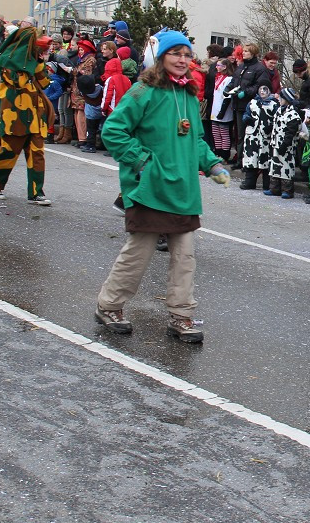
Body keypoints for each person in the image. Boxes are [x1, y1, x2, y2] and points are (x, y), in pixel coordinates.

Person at [95, 30, 230, 344]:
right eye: (175, 54)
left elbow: (195, 139)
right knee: (138, 254)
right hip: (150, 188)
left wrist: (212, 164)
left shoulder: (187, 94)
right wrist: (142, 161)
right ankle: (109, 305)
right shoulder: (144, 91)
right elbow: (113, 131)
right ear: (161, 58)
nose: (183, 60)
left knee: (185, 257)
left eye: (186, 54)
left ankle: (181, 315)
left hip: (183, 190)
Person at [0, 28, 54, 206]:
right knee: (8, 152)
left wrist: (38, 62)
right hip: (15, 116)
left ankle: (36, 192)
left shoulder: (34, 62)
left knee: (37, 154)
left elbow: (45, 83)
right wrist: (32, 63)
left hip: (35, 117)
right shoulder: (8, 61)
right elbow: (18, 82)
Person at [226, 44, 272, 169]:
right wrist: (228, 88)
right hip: (237, 105)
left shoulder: (259, 69)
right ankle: (240, 159)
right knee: (239, 134)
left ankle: (248, 161)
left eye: (246, 51)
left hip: (250, 106)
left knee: (249, 134)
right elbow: (234, 81)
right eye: (244, 51)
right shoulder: (241, 67)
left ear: (253, 53)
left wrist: (246, 92)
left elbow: (259, 86)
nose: (244, 53)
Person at [239, 85, 278, 191]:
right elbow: (246, 113)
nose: (262, 92)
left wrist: (270, 127)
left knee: (266, 160)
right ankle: (249, 182)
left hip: (266, 137)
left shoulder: (274, 104)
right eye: (260, 89)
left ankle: (267, 183)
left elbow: (277, 118)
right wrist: (247, 119)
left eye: (265, 89)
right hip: (252, 136)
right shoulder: (252, 103)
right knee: (251, 159)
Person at [266, 88, 302, 199]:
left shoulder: (293, 115)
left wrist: (284, 145)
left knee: (286, 167)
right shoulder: (279, 111)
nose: (279, 99)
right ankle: (274, 188)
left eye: (281, 98)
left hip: (286, 146)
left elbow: (290, 133)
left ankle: (288, 190)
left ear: (286, 99)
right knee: (275, 166)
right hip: (275, 143)